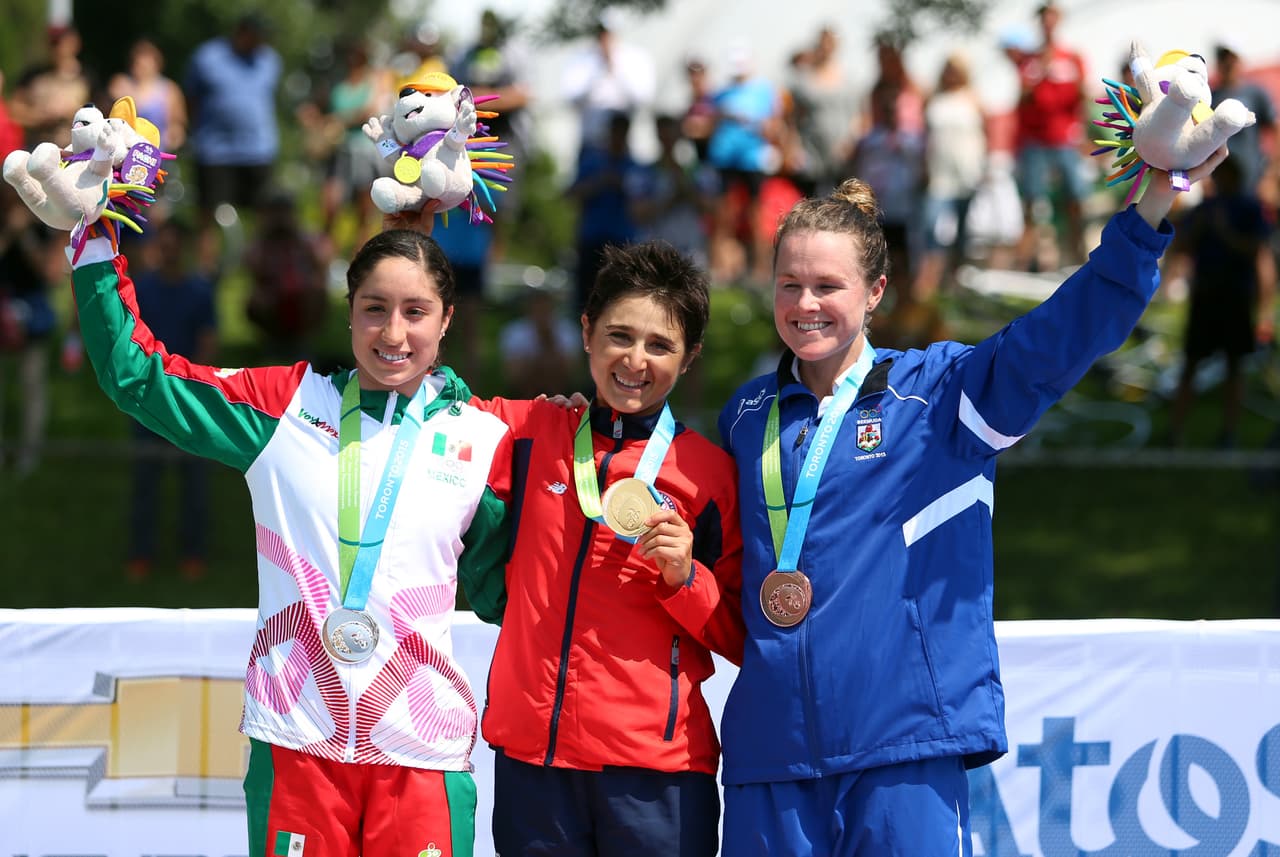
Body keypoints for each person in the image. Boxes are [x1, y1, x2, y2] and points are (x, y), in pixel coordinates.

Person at [715, 145, 1228, 853]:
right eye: (788, 284)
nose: (805, 304)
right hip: (770, 753)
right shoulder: (746, 416)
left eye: (827, 286)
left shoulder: (936, 395)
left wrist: (1148, 212)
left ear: (875, 291)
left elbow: (1058, 338)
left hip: (901, 747)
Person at [65, 207, 514, 854]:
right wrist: (94, 247)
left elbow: (505, 593)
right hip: (297, 743)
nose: (394, 331)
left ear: (447, 320)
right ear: (349, 311)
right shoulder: (286, 409)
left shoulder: (484, 437)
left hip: (423, 754)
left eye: (416, 311)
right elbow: (140, 379)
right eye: (374, 308)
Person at [476, 241, 745, 856]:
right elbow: (427, 393)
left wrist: (685, 577)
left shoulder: (709, 478)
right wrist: (414, 228)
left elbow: (741, 635)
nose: (635, 360)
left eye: (660, 345)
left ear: (690, 357)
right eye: (619, 335)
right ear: (587, 331)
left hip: (657, 774)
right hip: (532, 761)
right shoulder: (528, 434)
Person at [125, 220, 217, 581]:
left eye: (175, 247)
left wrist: (198, 386)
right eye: (163, 246)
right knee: (145, 479)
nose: (168, 253)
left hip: (188, 396)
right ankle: (140, 552)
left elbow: (208, 342)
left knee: (193, 479)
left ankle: (193, 552)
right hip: (148, 396)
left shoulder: (199, 291)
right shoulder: (143, 290)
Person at [1167, 155, 1276, 449]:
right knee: (1191, 363)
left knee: (1234, 366)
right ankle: (1176, 430)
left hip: (1235, 294)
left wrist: (1225, 231)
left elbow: (1256, 250)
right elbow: (1182, 244)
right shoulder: (1205, 208)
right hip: (1206, 293)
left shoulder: (1248, 208)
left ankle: (1229, 432)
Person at [184, 13, 282, 272]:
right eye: (254, 35)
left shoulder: (270, 60)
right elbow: (190, 99)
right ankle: (206, 272)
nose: (259, 41)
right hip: (215, 151)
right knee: (208, 215)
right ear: (240, 32)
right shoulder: (207, 57)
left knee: (265, 215)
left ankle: (263, 270)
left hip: (259, 150)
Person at [1006, 0, 1090, 270]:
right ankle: (1023, 266)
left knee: (1075, 203)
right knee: (1031, 205)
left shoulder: (1072, 58)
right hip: (1035, 143)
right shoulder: (1028, 60)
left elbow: (1082, 99)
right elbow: (1022, 99)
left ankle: (1079, 262)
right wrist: (1040, 71)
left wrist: (1084, 136)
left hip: (1065, 140)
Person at [108, 38, 188, 153]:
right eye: (138, 61)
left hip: (157, 152)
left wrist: (174, 138)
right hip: (123, 152)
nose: (141, 66)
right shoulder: (120, 84)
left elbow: (177, 124)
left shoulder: (170, 89)